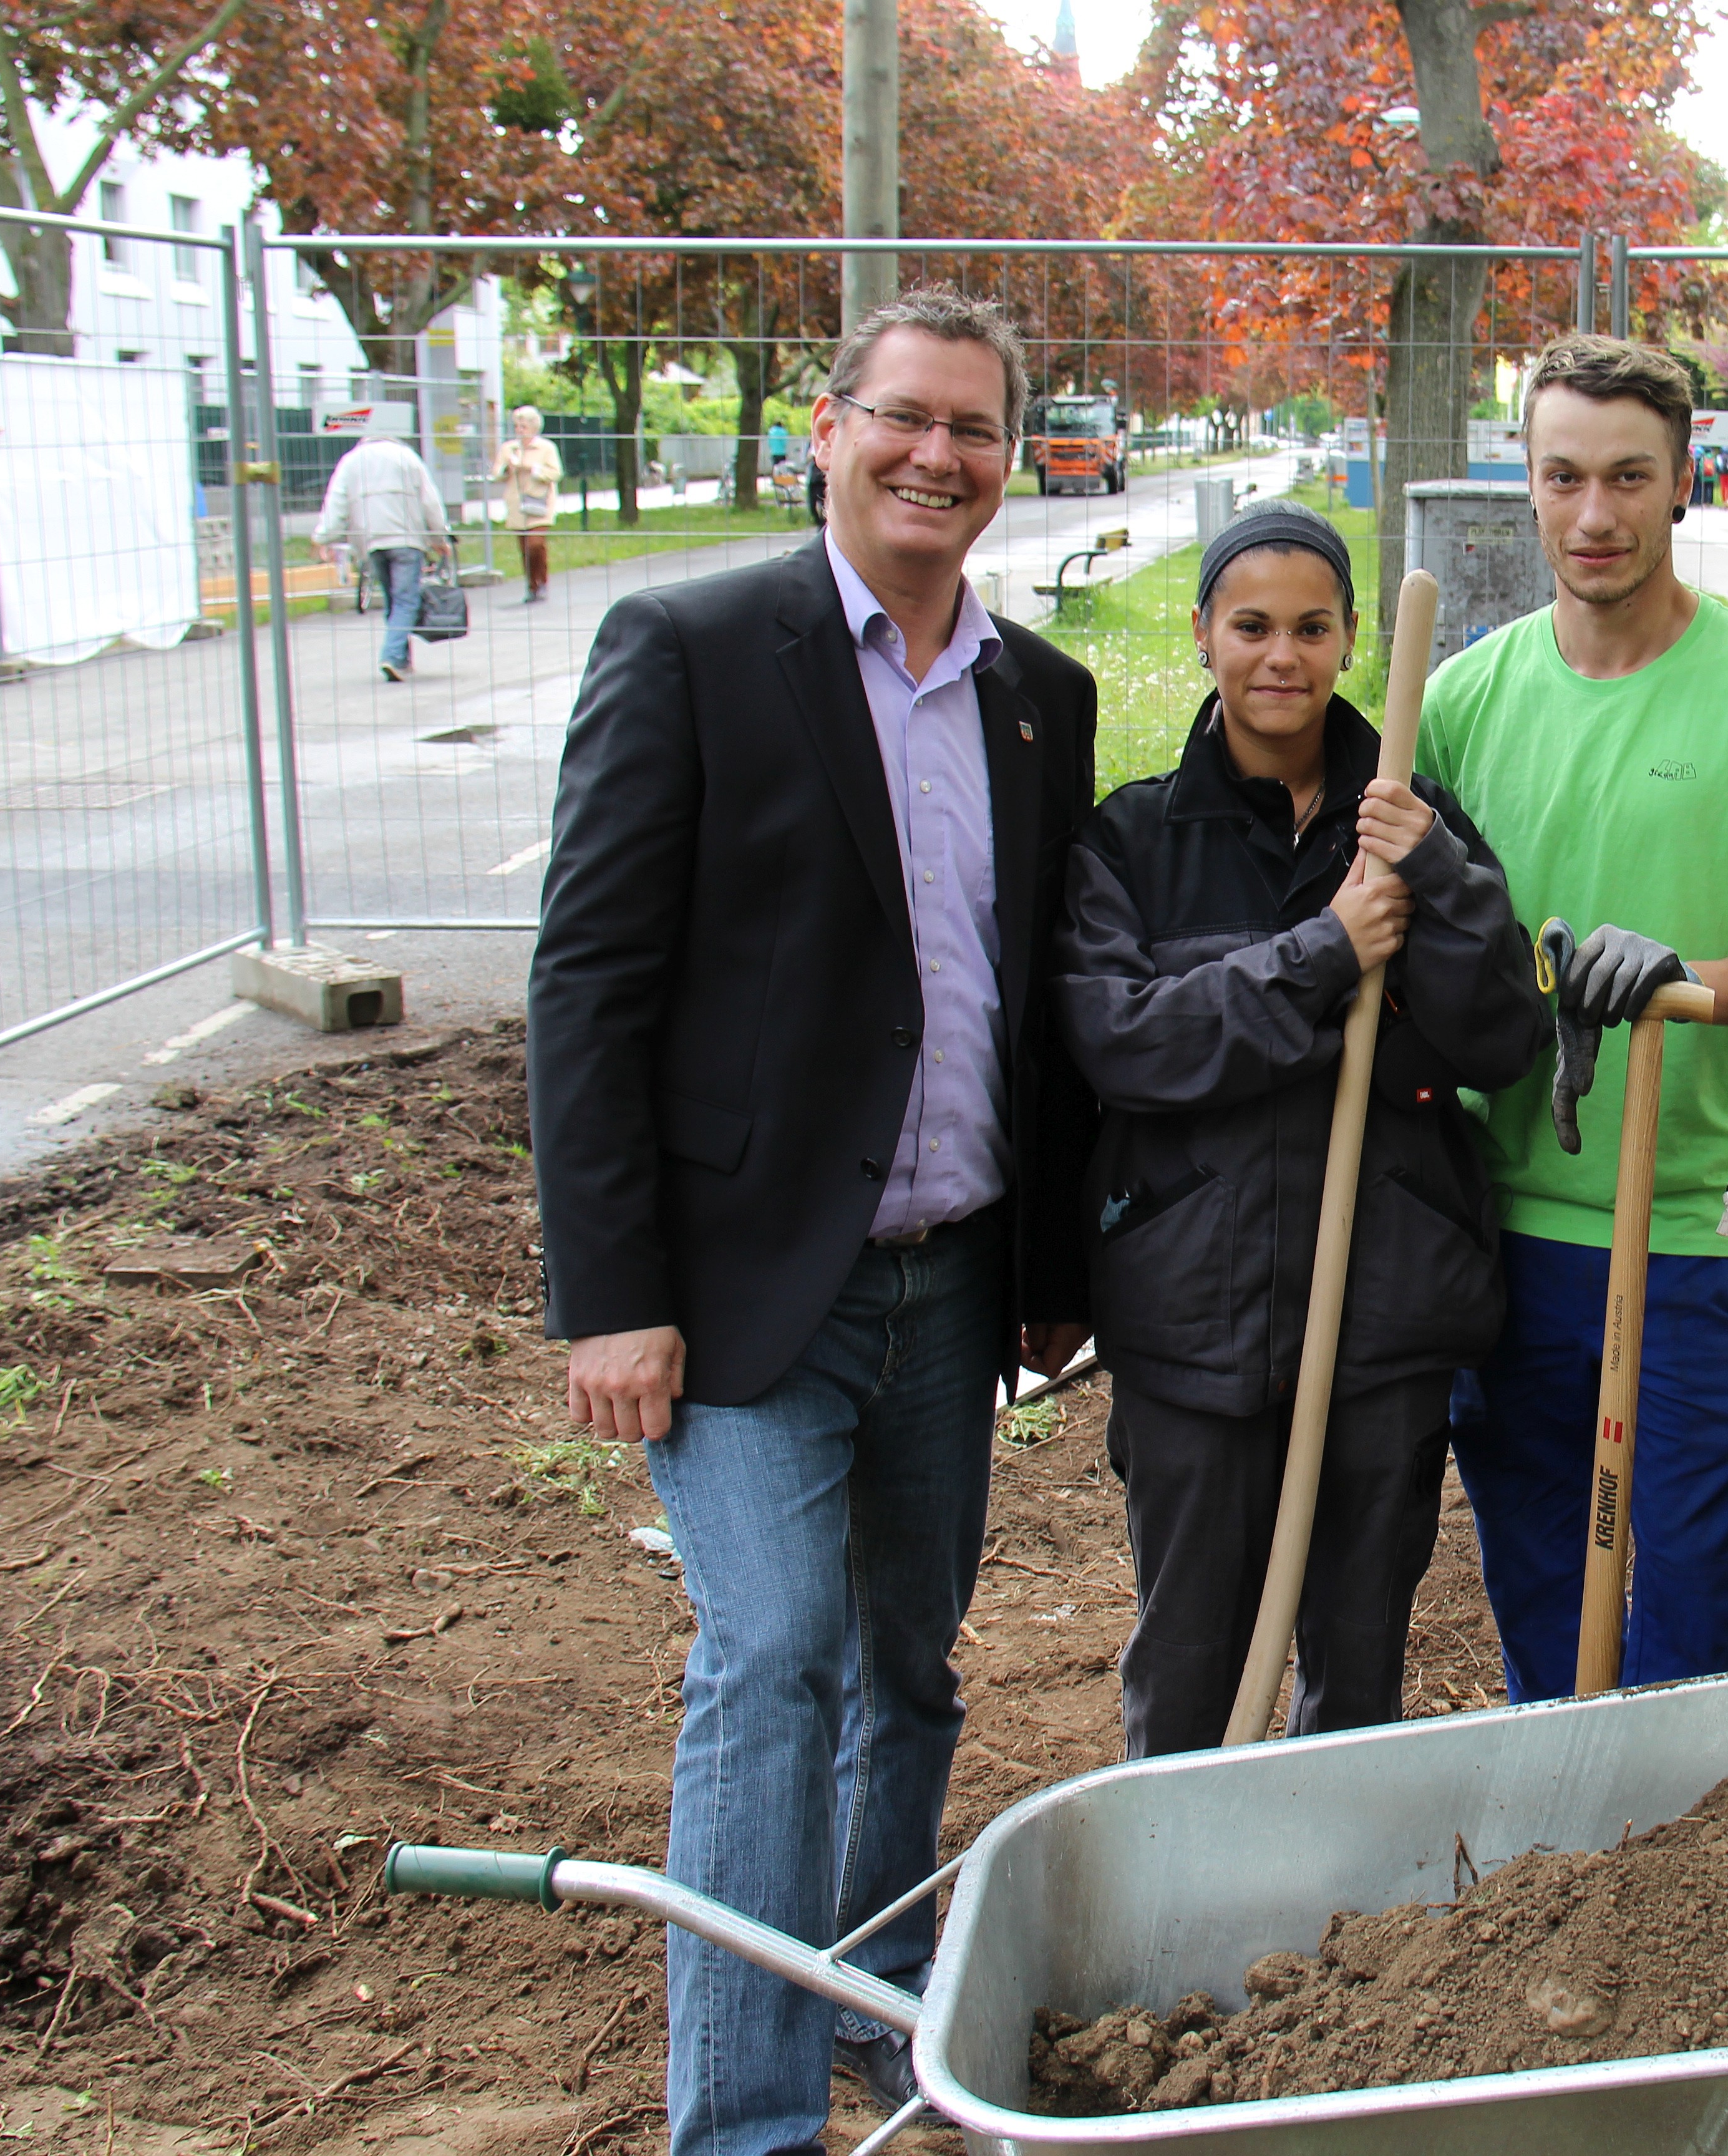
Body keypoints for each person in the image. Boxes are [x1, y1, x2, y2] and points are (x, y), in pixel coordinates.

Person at [527, 288, 1099, 2152]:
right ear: (827, 428)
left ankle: (868, 1994)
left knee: (909, 1667)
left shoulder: (1041, 699)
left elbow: (1041, 1000)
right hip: (749, 1287)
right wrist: (610, 1297)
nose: (939, 456)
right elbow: (591, 985)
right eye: (905, 418)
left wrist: (1048, 1270)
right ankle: (748, 2119)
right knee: (773, 1661)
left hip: (951, 1282)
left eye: (976, 429)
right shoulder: (693, 646)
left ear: (1007, 461)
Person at [1056, 500, 1543, 1757]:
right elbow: (1125, 1040)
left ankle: (1341, 1937)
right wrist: (1319, 959)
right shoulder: (1137, 834)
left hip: (1384, 1308)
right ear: (1208, 633)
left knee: (1359, 1648)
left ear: (1351, 641)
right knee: (1192, 1652)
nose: (1283, 656)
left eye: (1313, 628)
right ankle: (1180, 1911)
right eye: (1253, 626)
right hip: (1193, 1314)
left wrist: (1437, 881)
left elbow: (1500, 1040)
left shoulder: (1413, 821)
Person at [1414, 334, 1728, 1701]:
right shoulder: (1465, 698)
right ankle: (1565, 1843)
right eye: (1562, 478)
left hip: (1692, 1218)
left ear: (1680, 487)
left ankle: (1696, 1865)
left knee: (1694, 1567)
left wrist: (1689, 985)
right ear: (1526, 487)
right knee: (1536, 1558)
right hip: (1508, 1214)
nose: (1593, 516)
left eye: (1627, 478)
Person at [313, 413, 450, 681]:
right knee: (406, 598)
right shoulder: (407, 457)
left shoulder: (351, 461)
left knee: (393, 599)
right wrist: (439, 538)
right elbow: (430, 502)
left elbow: (336, 502)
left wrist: (324, 537)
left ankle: (401, 658)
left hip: (372, 541)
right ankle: (392, 656)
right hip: (407, 541)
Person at [492, 404, 563, 605]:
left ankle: (542, 581)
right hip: (517, 505)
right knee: (524, 547)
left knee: (536, 544)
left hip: (539, 503)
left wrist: (533, 469)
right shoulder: (509, 448)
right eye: (516, 426)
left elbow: (556, 474)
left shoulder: (546, 448)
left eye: (523, 426)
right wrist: (509, 468)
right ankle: (532, 585)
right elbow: (497, 474)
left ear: (534, 427)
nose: (519, 430)